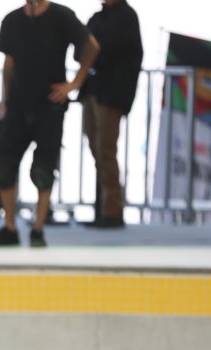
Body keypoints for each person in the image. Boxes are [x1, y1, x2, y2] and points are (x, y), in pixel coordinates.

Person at [0, 0, 99, 247]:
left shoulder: (62, 16)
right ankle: (9, 227)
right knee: (2, 166)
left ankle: (38, 228)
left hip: (50, 103)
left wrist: (74, 84)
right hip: (18, 105)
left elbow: (91, 46)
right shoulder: (11, 20)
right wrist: (5, 100)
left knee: (43, 170)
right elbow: (8, 64)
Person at [80, 0, 142, 230]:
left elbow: (108, 50)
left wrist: (94, 52)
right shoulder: (98, 18)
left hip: (111, 94)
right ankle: (103, 207)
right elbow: (82, 47)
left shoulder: (126, 17)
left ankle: (111, 211)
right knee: (96, 149)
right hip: (92, 90)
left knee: (106, 150)